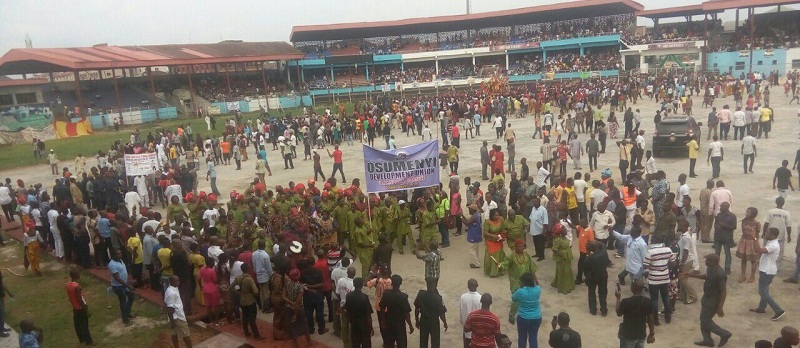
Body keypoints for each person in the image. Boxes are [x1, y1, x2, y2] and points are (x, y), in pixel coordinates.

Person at [683, 254, 732, 347]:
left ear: (715, 262)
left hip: (713, 300)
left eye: (708, 260)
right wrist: (690, 275)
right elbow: (705, 276)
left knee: (705, 320)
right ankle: (708, 340)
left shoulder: (720, 274)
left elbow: (723, 292)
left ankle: (724, 334)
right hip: (706, 297)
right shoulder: (710, 268)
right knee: (704, 319)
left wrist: (720, 307)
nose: (706, 262)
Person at [750, 228, 786, 321]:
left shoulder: (774, 245)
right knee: (765, 290)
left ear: (773, 235)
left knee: (762, 291)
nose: (765, 234)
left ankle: (778, 310)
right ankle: (761, 308)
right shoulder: (770, 242)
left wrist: (754, 238)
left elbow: (758, 250)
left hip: (767, 271)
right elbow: (763, 253)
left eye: (767, 233)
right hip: (766, 269)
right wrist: (758, 261)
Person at [500, 238, 537, 323]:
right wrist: (500, 265)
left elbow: (532, 267)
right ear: (515, 247)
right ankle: (512, 315)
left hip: (526, 280)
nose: (521, 248)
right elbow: (505, 264)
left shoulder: (526, 254)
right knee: (516, 300)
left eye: (522, 246)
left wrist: (535, 278)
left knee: (527, 297)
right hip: (515, 281)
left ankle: (524, 312)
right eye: (519, 246)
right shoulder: (511, 256)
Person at [643, 234, 676, 325]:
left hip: (654, 279)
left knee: (654, 299)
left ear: (653, 240)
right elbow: (673, 264)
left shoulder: (650, 252)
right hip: (665, 278)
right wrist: (664, 267)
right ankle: (668, 318)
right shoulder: (668, 250)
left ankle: (655, 320)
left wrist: (652, 266)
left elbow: (645, 265)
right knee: (665, 297)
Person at [615, 280, 655, 348]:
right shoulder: (648, 302)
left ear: (632, 288)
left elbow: (618, 313)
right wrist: (651, 334)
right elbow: (650, 320)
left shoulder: (625, 302)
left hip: (627, 335)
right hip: (641, 334)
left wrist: (618, 299)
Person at [379, 274, 414, 348]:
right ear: (400, 283)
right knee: (401, 344)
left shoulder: (386, 293)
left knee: (389, 344)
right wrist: (410, 325)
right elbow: (406, 314)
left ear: (391, 282)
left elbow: (382, 308)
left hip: (389, 322)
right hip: (400, 324)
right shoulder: (403, 297)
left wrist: (383, 320)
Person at [414, 277, 448, 348]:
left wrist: (417, 320)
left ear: (427, 284)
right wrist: (445, 322)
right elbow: (442, 313)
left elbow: (416, 308)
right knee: (435, 343)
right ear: (435, 285)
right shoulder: (438, 298)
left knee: (423, 342)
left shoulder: (420, 294)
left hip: (423, 320)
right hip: (434, 322)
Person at [65, 267, 95, 346]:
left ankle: (81, 339)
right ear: (76, 275)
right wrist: (86, 310)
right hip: (81, 307)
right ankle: (89, 341)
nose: (79, 275)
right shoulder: (77, 287)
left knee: (77, 324)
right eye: (78, 274)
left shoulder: (68, 285)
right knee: (84, 325)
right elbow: (80, 299)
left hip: (74, 307)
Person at [234, 263, 264, 339]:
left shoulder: (238, 278)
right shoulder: (249, 279)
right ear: (248, 269)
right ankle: (256, 335)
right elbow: (256, 291)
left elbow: (231, 287)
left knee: (244, 317)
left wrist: (238, 293)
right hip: (250, 300)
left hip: (242, 300)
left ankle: (246, 332)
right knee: (252, 318)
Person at [512, 272, 541, 348]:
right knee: (533, 337)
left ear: (523, 282)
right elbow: (537, 284)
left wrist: (517, 289)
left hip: (523, 318)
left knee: (522, 337)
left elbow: (513, 298)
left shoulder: (520, 292)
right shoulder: (538, 289)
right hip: (536, 317)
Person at [164, 276, 193, 348]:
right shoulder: (171, 293)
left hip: (175, 316)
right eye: (175, 281)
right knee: (186, 335)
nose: (178, 283)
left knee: (174, 334)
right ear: (170, 282)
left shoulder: (171, 289)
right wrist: (172, 321)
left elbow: (166, 302)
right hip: (177, 317)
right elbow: (169, 308)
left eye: (178, 281)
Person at [345, 277, 374, 348]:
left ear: (354, 284)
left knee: (355, 343)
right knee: (366, 343)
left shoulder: (349, 296)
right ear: (361, 285)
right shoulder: (364, 298)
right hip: (364, 325)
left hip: (354, 323)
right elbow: (368, 315)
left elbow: (347, 311)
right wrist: (371, 327)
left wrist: (350, 321)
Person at [109, 249, 136, 325]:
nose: (120, 255)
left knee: (131, 296)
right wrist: (128, 286)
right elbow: (117, 278)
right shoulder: (112, 264)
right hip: (118, 286)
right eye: (118, 254)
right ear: (114, 255)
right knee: (123, 301)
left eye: (120, 253)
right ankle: (125, 319)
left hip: (124, 284)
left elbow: (123, 273)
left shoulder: (120, 260)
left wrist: (128, 283)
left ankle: (127, 313)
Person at [584, 241, 610, 316]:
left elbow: (585, 269)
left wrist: (588, 253)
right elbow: (602, 244)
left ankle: (593, 310)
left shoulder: (589, 258)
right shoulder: (604, 253)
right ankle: (604, 310)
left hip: (592, 277)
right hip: (603, 276)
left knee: (591, 292)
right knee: (603, 293)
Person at [736, 207, 761, 283]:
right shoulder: (744, 221)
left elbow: (757, 234)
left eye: (748, 212)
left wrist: (755, 241)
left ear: (753, 214)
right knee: (744, 259)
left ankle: (752, 276)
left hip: (752, 242)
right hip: (744, 241)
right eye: (746, 212)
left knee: (753, 260)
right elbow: (743, 232)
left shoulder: (757, 223)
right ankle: (743, 275)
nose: (746, 213)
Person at [713, 202, 736, 274]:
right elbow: (715, 224)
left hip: (727, 238)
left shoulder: (732, 216)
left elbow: (734, 227)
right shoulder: (719, 215)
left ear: (727, 207)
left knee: (727, 253)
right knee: (717, 253)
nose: (720, 208)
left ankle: (727, 268)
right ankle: (716, 267)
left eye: (722, 207)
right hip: (718, 237)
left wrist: (723, 226)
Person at [551, 223, 575, 294]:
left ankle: (568, 285)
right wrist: (562, 254)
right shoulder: (558, 240)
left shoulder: (565, 237)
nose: (566, 230)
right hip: (562, 259)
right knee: (563, 273)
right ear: (560, 232)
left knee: (568, 271)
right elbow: (554, 249)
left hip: (567, 257)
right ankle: (563, 288)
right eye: (564, 230)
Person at [459, 279, 481, 348]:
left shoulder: (463, 297)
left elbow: (461, 311)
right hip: (477, 329)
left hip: (466, 328)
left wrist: (463, 322)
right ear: (477, 286)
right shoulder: (480, 298)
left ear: (468, 286)